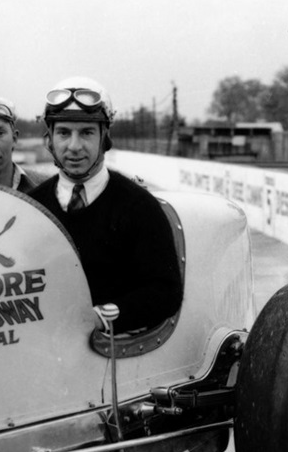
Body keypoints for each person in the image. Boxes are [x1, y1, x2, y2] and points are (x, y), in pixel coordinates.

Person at [28, 77, 181, 334]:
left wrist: (101, 317)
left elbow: (165, 291)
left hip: (112, 350)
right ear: (50, 138)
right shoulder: (33, 205)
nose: (74, 146)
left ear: (105, 137)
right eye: (63, 133)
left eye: (87, 132)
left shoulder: (139, 206)